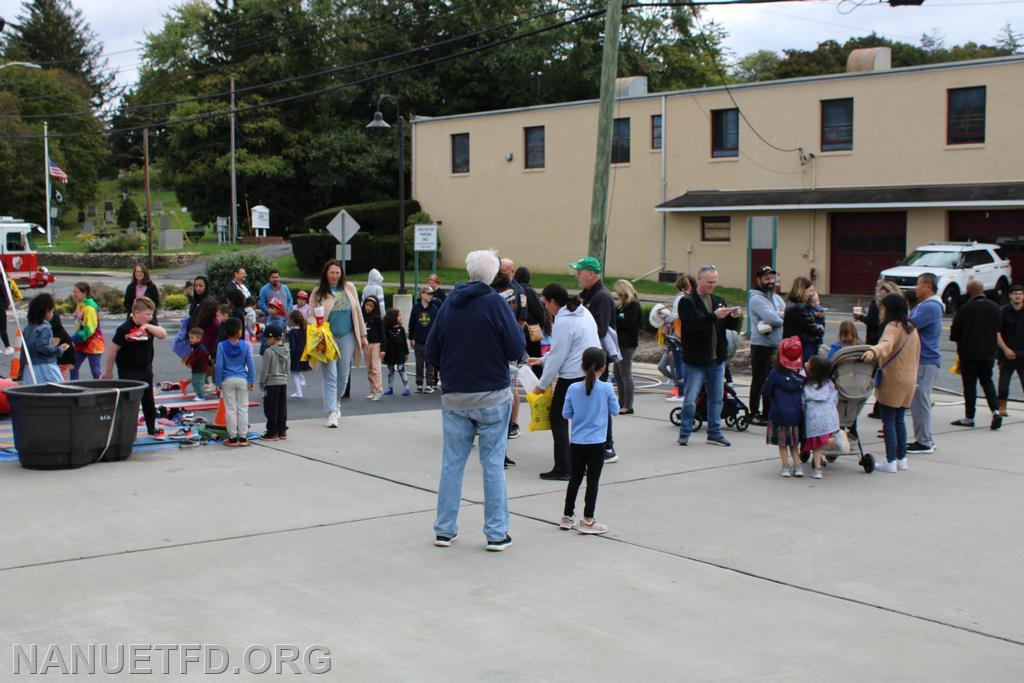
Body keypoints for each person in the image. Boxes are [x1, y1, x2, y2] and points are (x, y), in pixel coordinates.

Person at [425, 249, 525, 551]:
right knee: (492, 465)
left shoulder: (449, 305)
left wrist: (452, 369)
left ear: (469, 272)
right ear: (493, 274)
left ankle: (445, 529)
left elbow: (431, 350)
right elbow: (515, 346)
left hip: (455, 397)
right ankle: (496, 533)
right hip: (492, 395)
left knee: (451, 464)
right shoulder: (495, 304)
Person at [531, 283, 600, 480]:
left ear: (553, 301)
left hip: (571, 375)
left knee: (558, 418)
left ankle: (564, 467)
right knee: (581, 421)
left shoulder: (563, 321)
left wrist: (542, 384)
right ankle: (580, 464)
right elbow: (570, 346)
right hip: (590, 371)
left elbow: (560, 355)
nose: (545, 307)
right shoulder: (582, 311)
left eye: (545, 303)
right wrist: (543, 359)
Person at [675, 265, 743, 448]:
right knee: (690, 399)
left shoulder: (719, 300)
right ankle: (685, 432)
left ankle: (714, 432)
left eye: (715, 282)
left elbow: (729, 326)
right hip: (696, 360)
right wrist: (713, 316)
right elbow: (692, 324)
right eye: (709, 282)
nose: (712, 285)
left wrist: (735, 316)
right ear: (699, 280)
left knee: (717, 398)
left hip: (717, 358)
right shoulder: (687, 302)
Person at [560, 347, 619, 535]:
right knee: (592, 482)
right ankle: (588, 519)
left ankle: (567, 516)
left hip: (577, 441)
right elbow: (615, 410)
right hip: (597, 442)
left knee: (574, 480)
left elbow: (566, 413)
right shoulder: (606, 388)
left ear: (582, 366)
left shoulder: (572, 388)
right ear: (603, 367)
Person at [862, 294, 921, 473]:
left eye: (883, 308)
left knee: (888, 421)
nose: (882, 311)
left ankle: (890, 460)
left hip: (893, 379)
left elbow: (886, 344)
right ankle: (901, 458)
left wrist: (872, 351)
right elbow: (917, 353)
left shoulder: (893, 327)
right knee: (899, 420)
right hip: (909, 379)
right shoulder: (911, 327)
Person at [308, 259, 369, 427]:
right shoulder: (318, 292)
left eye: (337, 272)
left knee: (343, 376)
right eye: (331, 272)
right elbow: (310, 313)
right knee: (331, 375)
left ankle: (337, 400)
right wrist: (315, 323)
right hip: (327, 338)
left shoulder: (349, 288)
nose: (334, 276)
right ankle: (332, 412)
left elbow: (358, 312)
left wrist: (363, 335)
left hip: (348, 336)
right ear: (326, 274)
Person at [570, 256, 617, 460]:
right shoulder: (589, 295)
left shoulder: (602, 297)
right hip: (590, 356)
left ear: (592, 274)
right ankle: (596, 443)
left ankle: (607, 445)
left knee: (600, 401)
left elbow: (600, 328)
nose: (577, 275)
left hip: (598, 358)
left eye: (580, 271)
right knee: (591, 400)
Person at [101, 297, 168, 438]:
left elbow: (163, 334)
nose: (150, 317)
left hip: (145, 369)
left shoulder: (150, 325)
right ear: (137, 313)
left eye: (151, 314)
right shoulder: (124, 328)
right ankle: (128, 430)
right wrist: (108, 371)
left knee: (148, 400)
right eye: (148, 314)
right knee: (130, 402)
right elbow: (113, 350)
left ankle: (151, 427)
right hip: (128, 370)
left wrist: (148, 326)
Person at [950, 279, 1002, 431]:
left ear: (969, 291)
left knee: (970, 386)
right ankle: (996, 411)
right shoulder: (994, 307)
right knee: (988, 382)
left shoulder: (964, 309)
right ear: (983, 290)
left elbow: (955, 334)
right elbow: (998, 328)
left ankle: (970, 417)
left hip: (969, 354)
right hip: (988, 353)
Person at [907, 273, 945, 454]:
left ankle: (924, 441)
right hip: (924, 360)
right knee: (919, 400)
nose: (916, 288)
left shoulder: (930, 306)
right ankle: (924, 438)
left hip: (926, 360)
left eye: (918, 284)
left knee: (920, 401)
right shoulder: (927, 305)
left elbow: (908, 324)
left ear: (928, 286)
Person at [761, 337, 806, 477]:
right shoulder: (801, 373)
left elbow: (766, 391)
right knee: (794, 443)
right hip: (796, 414)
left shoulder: (775, 373)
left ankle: (786, 467)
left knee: (782, 444)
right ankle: (798, 466)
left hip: (779, 413)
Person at [493, 258, 527, 438]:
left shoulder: (518, 291)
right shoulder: (491, 289)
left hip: (508, 345)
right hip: (496, 344)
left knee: (510, 385)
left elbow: (521, 321)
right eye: (506, 269)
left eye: (509, 269)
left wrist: (513, 341)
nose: (509, 272)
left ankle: (512, 423)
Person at [856, 280, 900, 418]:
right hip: (879, 347)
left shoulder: (891, 323)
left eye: (879, 288)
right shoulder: (901, 323)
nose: (876, 289)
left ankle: (880, 409)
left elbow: (884, 339)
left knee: (874, 378)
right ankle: (879, 408)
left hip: (877, 347)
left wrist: (874, 350)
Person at [747, 266, 785, 426]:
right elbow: (775, 319)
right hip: (761, 346)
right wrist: (779, 315)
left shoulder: (776, 297)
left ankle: (768, 413)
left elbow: (780, 314)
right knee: (759, 380)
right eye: (766, 279)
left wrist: (777, 315)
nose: (770, 281)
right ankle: (754, 413)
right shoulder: (756, 299)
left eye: (772, 278)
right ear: (759, 280)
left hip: (776, 345)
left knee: (772, 381)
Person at [214, 317, 255, 446]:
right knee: (243, 408)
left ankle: (232, 437)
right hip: (242, 379)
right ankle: (243, 437)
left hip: (227, 380)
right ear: (239, 331)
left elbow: (219, 365)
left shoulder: (221, 346)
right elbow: (251, 364)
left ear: (226, 332)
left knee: (230, 409)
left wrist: (218, 382)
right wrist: (251, 380)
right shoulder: (245, 345)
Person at [802, 355, 840, 480]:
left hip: (814, 421)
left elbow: (803, 401)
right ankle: (837, 441)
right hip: (829, 420)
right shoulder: (830, 384)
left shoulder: (807, 385)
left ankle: (817, 469)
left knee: (816, 447)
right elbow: (835, 399)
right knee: (825, 439)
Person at [22, 293, 68, 384]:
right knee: (58, 391)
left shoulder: (28, 327)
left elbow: (24, 350)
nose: (52, 314)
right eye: (52, 312)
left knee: (33, 394)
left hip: (30, 368)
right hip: (45, 367)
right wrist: (59, 349)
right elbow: (43, 347)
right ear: (46, 311)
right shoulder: (45, 328)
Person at [613, 279, 641, 415]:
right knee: (618, 374)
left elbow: (629, 323)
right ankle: (621, 402)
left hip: (627, 344)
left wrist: (616, 319)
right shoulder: (621, 306)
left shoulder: (633, 306)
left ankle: (628, 405)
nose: (618, 295)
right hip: (618, 343)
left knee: (626, 374)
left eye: (620, 292)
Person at [997, 284, 1024, 417]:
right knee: (1004, 382)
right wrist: (1006, 349)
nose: (1018, 296)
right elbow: (997, 333)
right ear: (1010, 296)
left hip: (1022, 354)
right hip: (1006, 354)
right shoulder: (1003, 311)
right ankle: (1002, 406)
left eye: (1020, 293)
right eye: (1015, 293)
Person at [259, 324, 290, 441]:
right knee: (282, 407)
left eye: (267, 338)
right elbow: (288, 367)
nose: (266, 341)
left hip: (271, 382)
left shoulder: (269, 352)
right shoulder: (286, 350)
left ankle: (272, 431)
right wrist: (286, 378)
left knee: (270, 407)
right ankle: (282, 430)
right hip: (283, 381)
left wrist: (262, 383)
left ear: (272, 338)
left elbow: (265, 369)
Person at [783, 277, 824, 363]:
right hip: (803, 346)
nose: (812, 294)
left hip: (793, 345)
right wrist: (821, 328)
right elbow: (811, 327)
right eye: (810, 291)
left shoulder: (792, 304)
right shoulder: (798, 308)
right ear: (803, 290)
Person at [69, 282, 104, 380]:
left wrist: (74, 339)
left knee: (96, 373)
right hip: (81, 344)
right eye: (73, 292)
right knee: (73, 367)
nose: (74, 294)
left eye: (76, 292)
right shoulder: (80, 304)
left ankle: (105, 390)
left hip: (93, 344)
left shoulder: (89, 308)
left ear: (84, 293)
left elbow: (90, 329)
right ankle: (74, 390)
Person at [409, 285, 440, 393]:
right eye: (428, 294)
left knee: (430, 364)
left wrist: (436, 339)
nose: (430, 296)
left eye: (432, 294)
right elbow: (411, 323)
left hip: (430, 341)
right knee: (419, 363)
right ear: (422, 294)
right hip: (418, 340)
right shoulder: (416, 308)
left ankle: (429, 384)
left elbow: (437, 325)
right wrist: (411, 337)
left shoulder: (434, 309)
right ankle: (419, 383)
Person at [514, 266, 546, 365]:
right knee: (535, 358)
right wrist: (542, 324)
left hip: (516, 329)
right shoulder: (530, 291)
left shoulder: (513, 290)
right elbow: (539, 311)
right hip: (532, 331)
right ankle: (536, 379)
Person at [383, 308, 411, 396]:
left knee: (401, 369)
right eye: (399, 316)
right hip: (390, 353)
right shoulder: (386, 329)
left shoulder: (401, 329)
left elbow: (404, 342)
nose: (400, 317)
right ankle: (390, 388)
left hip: (400, 352)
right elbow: (384, 341)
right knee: (390, 370)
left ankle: (406, 387)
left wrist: (406, 353)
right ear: (393, 317)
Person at [363, 296, 385, 401]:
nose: (368, 308)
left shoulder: (377, 319)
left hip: (376, 344)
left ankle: (378, 390)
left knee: (376, 368)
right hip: (366, 344)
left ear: (375, 307)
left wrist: (383, 349)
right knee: (369, 368)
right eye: (367, 305)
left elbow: (382, 335)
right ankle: (372, 390)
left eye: (371, 306)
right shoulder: (363, 317)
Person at [287, 310, 310, 398]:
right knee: (298, 370)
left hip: (296, 354)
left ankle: (299, 392)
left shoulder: (292, 332)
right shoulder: (304, 330)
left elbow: (292, 346)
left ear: (292, 320)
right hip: (304, 352)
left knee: (294, 372)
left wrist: (289, 353)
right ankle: (302, 380)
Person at [185, 327, 211, 400]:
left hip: (201, 369)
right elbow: (192, 356)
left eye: (192, 338)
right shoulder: (195, 346)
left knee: (198, 383)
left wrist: (190, 362)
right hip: (196, 368)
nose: (190, 339)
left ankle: (201, 396)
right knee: (194, 382)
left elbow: (197, 358)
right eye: (190, 337)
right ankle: (199, 394)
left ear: (199, 339)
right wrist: (188, 361)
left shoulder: (201, 348)